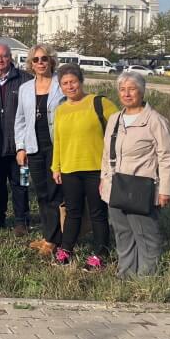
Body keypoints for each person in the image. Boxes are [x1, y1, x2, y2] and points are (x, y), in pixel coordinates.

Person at [100, 71, 170, 277]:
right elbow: (106, 153)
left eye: (132, 89)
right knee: (122, 233)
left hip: (142, 187)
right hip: (115, 186)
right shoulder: (114, 119)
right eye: (122, 89)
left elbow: (168, 157)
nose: (126, 94)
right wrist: (103, 179)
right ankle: (126, 274)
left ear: (141, 92)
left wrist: (165, 190)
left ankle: (147, 278)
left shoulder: (156, 121)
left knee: (145, 235)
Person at [51, 64, 118, 270]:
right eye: (65, 83)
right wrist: (56, 167)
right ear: (60, 87)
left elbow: (119, 129)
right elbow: (58, 141)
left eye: (73, 82)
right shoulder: (60, 110)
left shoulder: (99, 103)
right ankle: (66, 250)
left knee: (98, 213)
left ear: (81, 81)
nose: (70, 86)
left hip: (96, 169)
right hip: (70, 169)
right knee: (73, 212)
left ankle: (100, 254)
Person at [15, 44, 64, 256]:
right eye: (36, 60)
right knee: (42, 193)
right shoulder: (25, 88)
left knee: (55, 193)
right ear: (31, 64)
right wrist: (21, 147)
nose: (40, 62)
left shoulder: (61, 85)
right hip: (34, 146)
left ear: (51, 61)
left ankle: (55, 239)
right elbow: (20, 120)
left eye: (44, 58)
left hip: (56, 146)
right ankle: (47, 235)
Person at [0, 44, 32, 235]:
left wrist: (24, 144)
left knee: (22, 183)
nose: (0, 60)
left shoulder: (25, 79)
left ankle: (22, 220)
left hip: (20, 146)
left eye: (4, 56)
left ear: (10, 57)